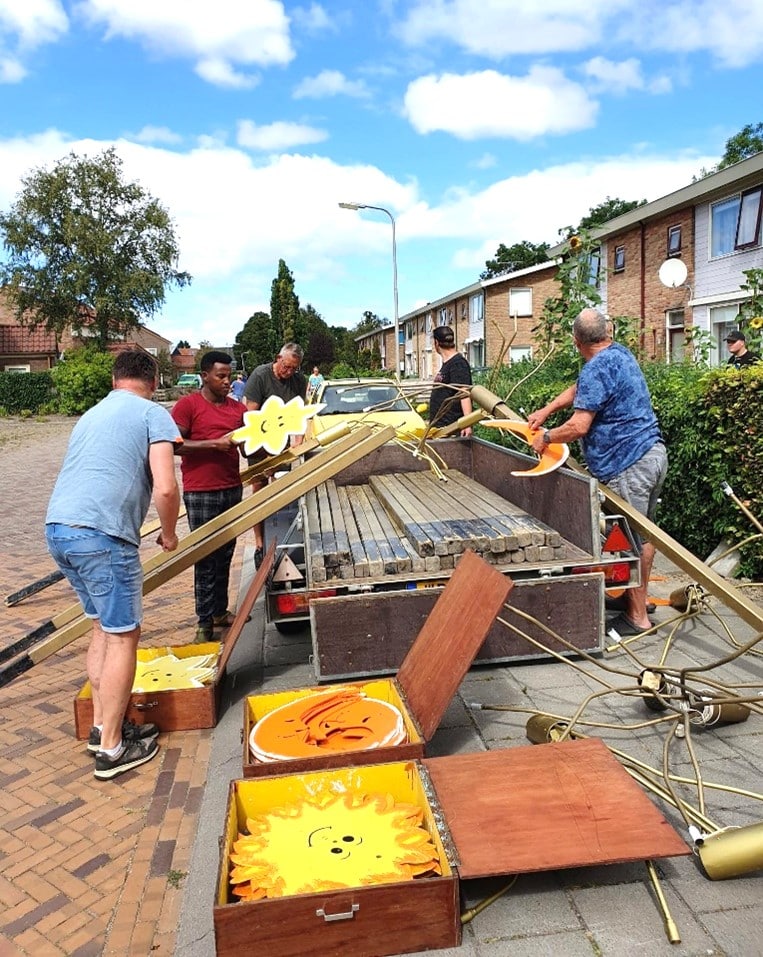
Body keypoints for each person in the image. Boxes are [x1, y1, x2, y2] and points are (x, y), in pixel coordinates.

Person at [45, 350, 181, 780]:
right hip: (104, 536)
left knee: (102, 628)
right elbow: (165, 486)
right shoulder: (152, 414)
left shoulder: (91, 414)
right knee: (124, 636)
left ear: (114, 378)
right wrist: (169, 532)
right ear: (154, 380)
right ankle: (112, 750)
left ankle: (102, 725)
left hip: (59, 529)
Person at [527, 308, 667, 638]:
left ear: (577, 342)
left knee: (631, 540)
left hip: (627, 463)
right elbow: (579, 390)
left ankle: (637, 618)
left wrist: (545, 437)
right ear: (609, 332)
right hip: (652, 454)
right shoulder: (618, 354)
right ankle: (639, 599)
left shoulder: (596, 368)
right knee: (644, 536)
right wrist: (548, 409)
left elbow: (578, 426)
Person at [171, 351, 246, 642]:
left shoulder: (236, 410)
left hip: (231, 487)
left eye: (229, 375)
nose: (228, 382)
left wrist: (266, 438)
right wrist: (214, 444)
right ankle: (203, 621)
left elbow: (249, 449)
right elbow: (174, 445)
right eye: (221, 376)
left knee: (226, 552)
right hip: (201, 491)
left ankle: (219, 611)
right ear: (205, 376)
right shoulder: (187, 406)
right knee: (205, 557)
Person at [244, 343, 308, 568]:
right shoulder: (260, 376)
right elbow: (251, 414)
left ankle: (282, 536)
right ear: (278, 358)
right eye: (286, 367)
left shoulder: (299, 381)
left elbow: (299, 417)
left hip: (282, 443)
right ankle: (260, 544)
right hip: (260, 441)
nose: (289, 372)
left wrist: (297, 447)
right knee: (260, 489)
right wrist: (267, 450)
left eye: (294, 369)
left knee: (282, 488)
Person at [428, 325, 473, 437]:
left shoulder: (458, 364)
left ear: (436, 343)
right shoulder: (448, 364)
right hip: (441, 429)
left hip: (452, 429)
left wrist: (467, 423)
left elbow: (464, 393)